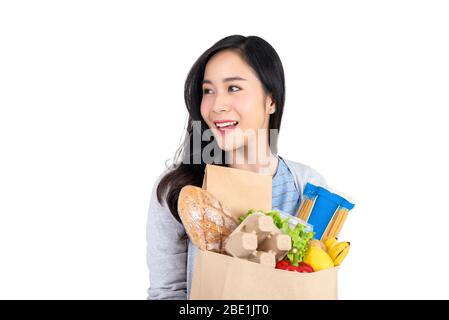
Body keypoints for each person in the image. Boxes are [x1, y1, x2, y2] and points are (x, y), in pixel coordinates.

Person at [146, 35, 327, 300]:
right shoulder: (180, 189)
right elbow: (167, 293)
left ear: (271, 100)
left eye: (233, 88)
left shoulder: (309, 189)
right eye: (208, 91)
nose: (217, 105)